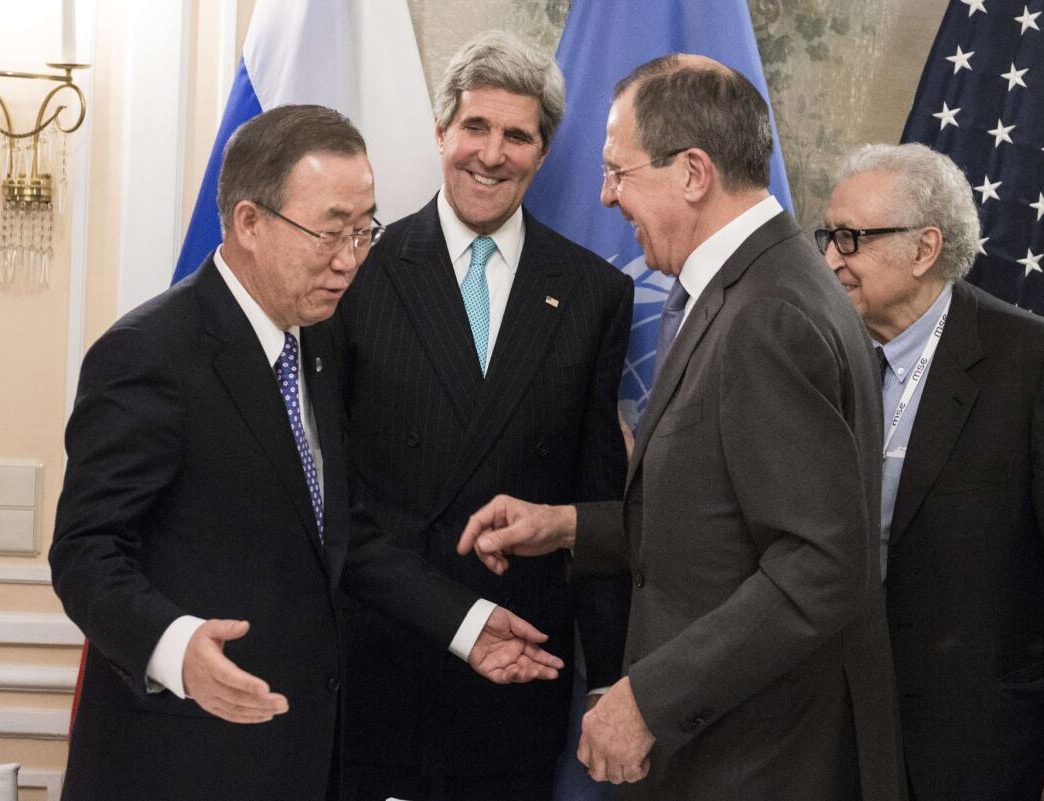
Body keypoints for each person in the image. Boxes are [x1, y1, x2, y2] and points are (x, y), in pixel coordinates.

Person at [49, 104, 562, 801]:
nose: (350, 259)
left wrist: (466, 624)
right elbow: (85, 552)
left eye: (363, 230)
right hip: (183, 757)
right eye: (330, 232)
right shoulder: (150, 353)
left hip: (302, 756)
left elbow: (338, 531)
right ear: (250, 223)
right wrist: (174, 646)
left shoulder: (314, 341)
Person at [458, 55, 906, 800]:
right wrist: (568, 524)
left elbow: (819, 564)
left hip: (759, 758)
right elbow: (718, 522)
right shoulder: (751, 284)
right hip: (737, 746)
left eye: (618, 172)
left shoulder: (767, 314)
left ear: (693, 172)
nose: (605, 197)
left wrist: (648, 697)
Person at [332, 30, 633, 801]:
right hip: (378, 666)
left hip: (516, 678)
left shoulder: (595, 292)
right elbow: (331, 499)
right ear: (441, 134)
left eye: (517, 135)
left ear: (544, 150)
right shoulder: (358, 274)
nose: (491, 154)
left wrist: (612, 678)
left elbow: (598, 499)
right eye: (475, 127)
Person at [818, 142, 1044, 801]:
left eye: (850, 238)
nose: (829, 259)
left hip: (982, 751)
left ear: (925, 247)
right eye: (827, 235)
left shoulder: (1040, 364)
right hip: (837, 735)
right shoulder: (825, 358)